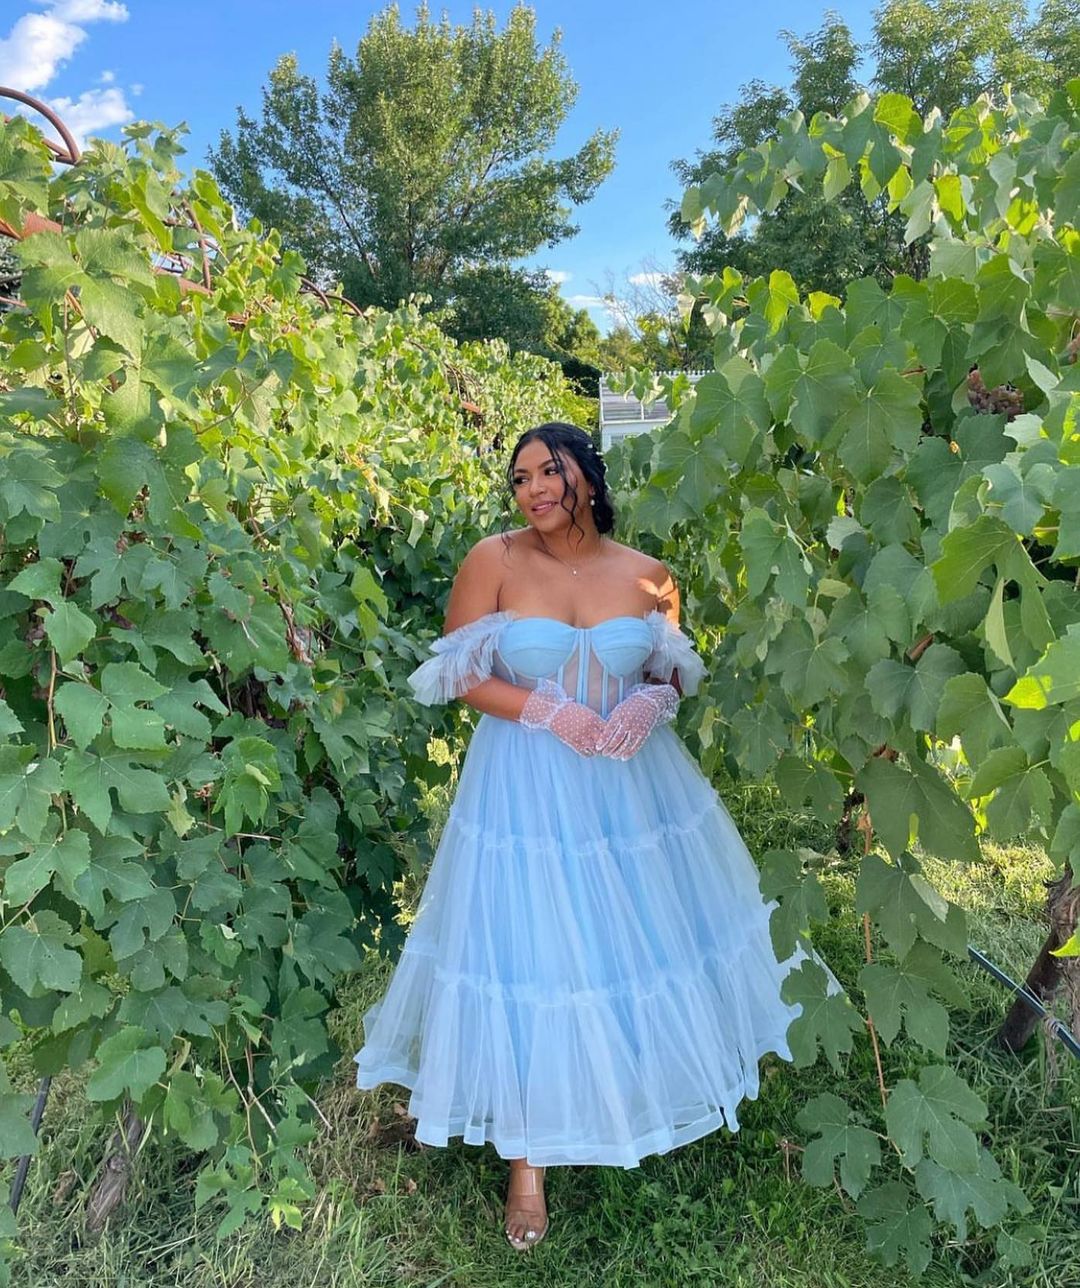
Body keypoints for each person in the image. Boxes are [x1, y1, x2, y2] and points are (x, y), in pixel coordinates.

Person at [354, 421, 814, 1252]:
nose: (531, 489)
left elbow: (670, 669)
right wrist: (546, 709)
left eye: (547, 471)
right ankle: (527, 1162)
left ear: (588, 479)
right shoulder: (493, 560)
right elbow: (460, 674)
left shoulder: (650, 575)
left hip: (630, 779)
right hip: (525, 782)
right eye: (519, 477)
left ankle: (627, 1084)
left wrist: (653, 701)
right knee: (531, 948)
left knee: (634, 933)